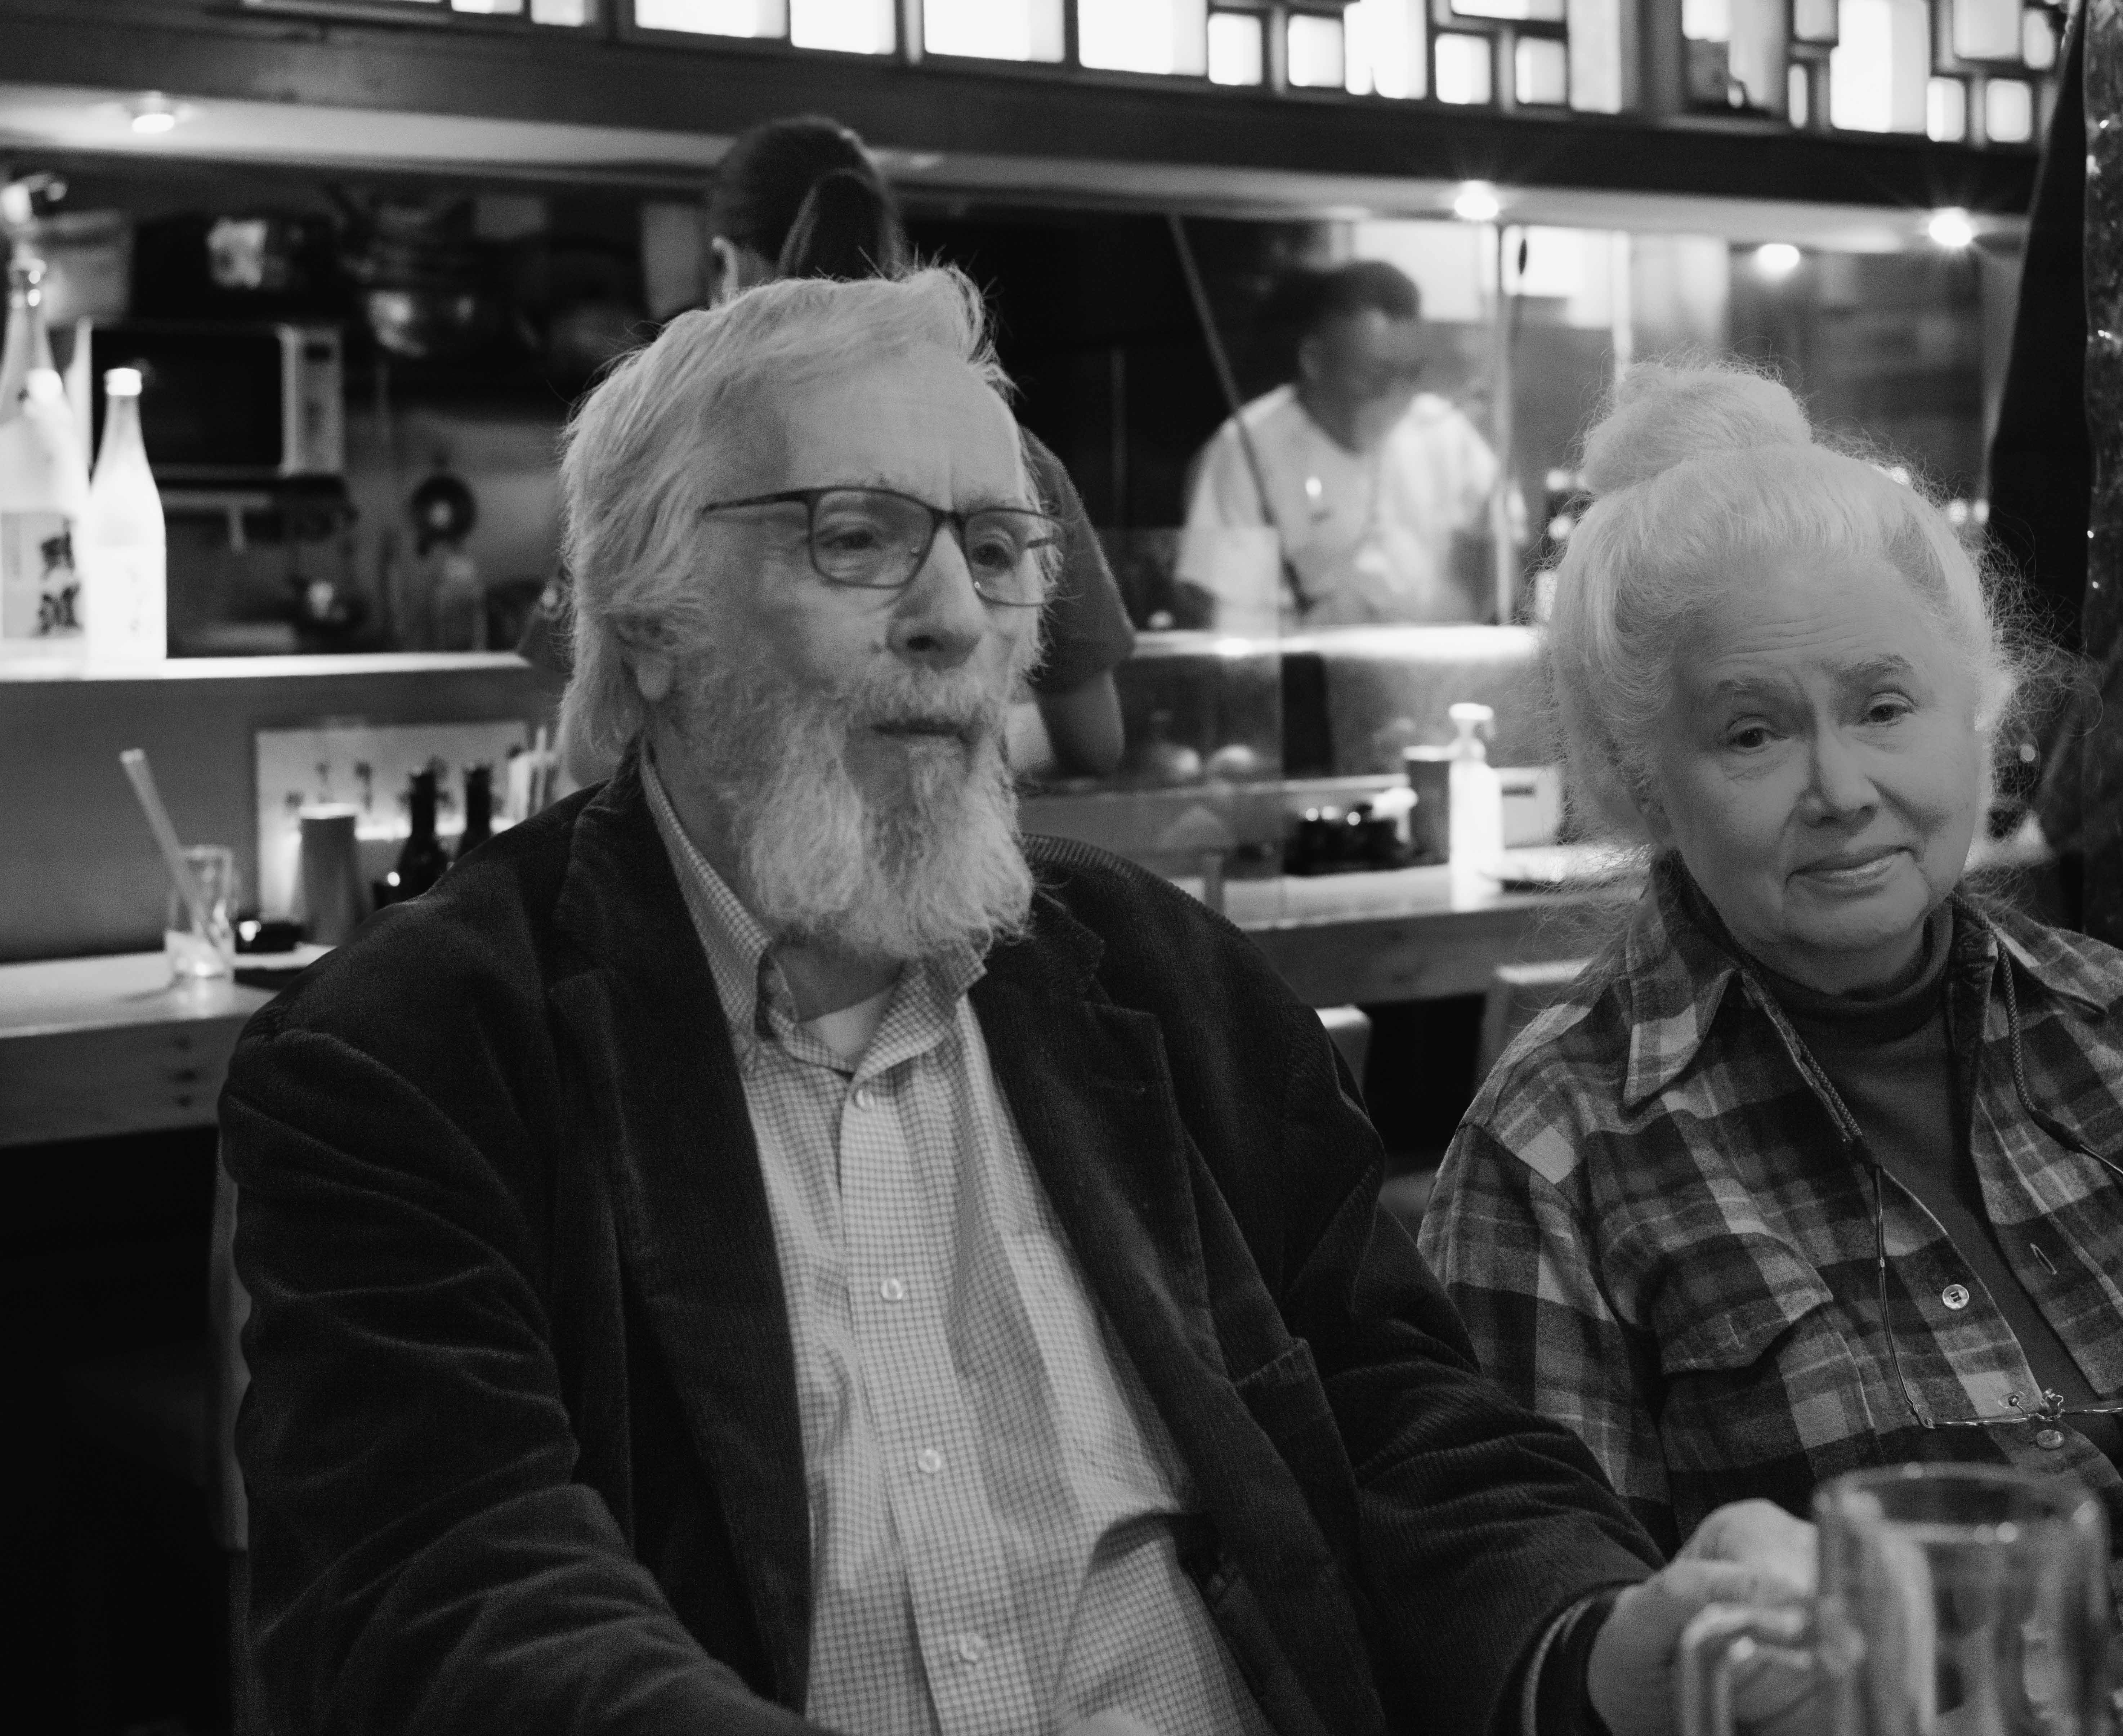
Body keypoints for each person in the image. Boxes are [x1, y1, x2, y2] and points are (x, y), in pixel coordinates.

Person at [218, 271, 1827, 1736]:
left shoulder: (1159, 980)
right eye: (855, 536)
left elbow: (1404, 1422)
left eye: (994, 552)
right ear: (647, 621)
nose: (951, 618)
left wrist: (1599, 1635)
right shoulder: (419, 1054)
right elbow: (448, 1584)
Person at [1418, 361, 2123, 1637]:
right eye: (1750, 734)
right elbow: (1562, 1633)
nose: (1840, 789)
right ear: (1641, 783)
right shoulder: (1551, 1154)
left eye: (1883, 706)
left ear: (1976, 715)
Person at [711, 113, 1132, 778]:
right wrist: (956, 737)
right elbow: (1094, 742)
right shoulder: (1007, 454)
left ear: (728, 264)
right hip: (946, 833)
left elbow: (594, 751)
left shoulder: (684, 452)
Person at [1179, 261, 1501, 628]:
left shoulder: (1442, 431)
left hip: (1434, 659)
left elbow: (1502, 557)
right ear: (1314, 361)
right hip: (1306, 660)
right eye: (1377, 375)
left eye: (1411, 374)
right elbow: (1226, 610)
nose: (1398, 394)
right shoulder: (1249, 448)